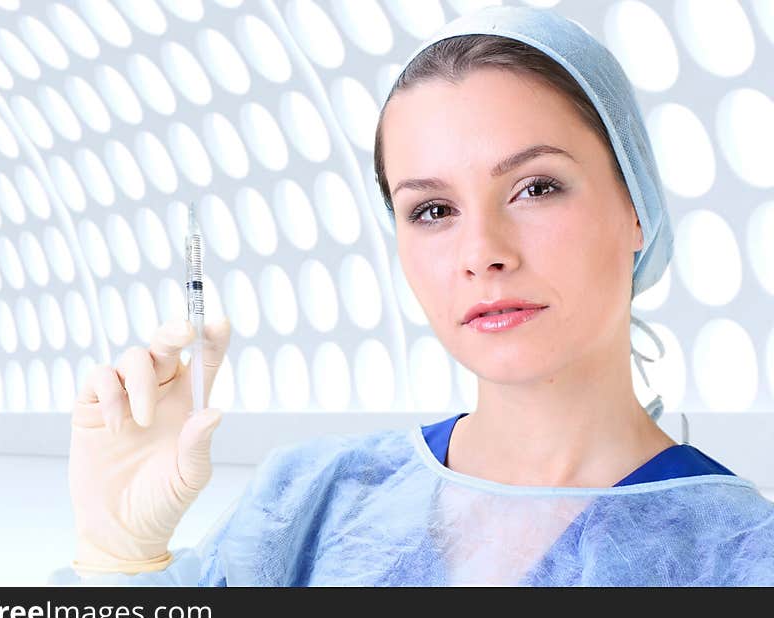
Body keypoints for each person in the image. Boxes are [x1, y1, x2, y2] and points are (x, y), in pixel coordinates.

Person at [51, 6, 774, 586]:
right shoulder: (312, 498)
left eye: (536, 187)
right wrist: (118, 559)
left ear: (637, 205)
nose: (483, 251)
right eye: (433, 209)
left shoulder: (742, 556)